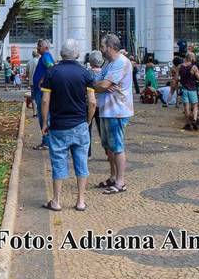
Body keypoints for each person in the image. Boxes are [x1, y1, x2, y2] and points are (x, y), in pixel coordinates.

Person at [39, 39, 96, 212]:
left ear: (61, 54)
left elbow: (44, 101)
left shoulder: (52, 73)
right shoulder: (86, 74)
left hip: (58, 126)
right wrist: (87, 121)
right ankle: (80, 201)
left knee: (58, 162)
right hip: (79, 124)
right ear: (77, 54)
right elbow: (92, 103)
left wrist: (44, 122)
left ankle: (56, 201)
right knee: (81, 162)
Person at [93, 33, 134, 194]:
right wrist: (100, 85)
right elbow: (96, 82)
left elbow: (103, 84)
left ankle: (120, 182)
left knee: (117, 146)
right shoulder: (108, 63)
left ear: (110, 47)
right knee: (109, 146)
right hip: (107, 110)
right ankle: (112, 177)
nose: (100, 50)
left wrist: (101, 85)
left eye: (102, 47)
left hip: (117, 111)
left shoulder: (121, 62)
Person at [31, 39, 56, 150]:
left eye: (39, 46)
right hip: (39, 91)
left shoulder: (46, 56)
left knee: (44, 116)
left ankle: (46, 142)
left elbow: (51, 69)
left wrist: (42, 80)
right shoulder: (44, 57)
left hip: (42, 92)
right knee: (43, 116)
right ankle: (46, 140)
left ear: (45, 47)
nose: (37, 48)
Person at [179, 52, 199, 130]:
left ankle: (188, 124)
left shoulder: (180, 66)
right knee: (195, 106)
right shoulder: (194, 67)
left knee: (186, 108)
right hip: (192, 89)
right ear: (192, 58)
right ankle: (195, 120)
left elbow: (176, 78)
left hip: (184, 89)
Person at [87, 50, 104, 158]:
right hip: (102, 104)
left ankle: (87, 153)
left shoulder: (88, 72)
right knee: (103, 130)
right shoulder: (104, 72)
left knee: (87, 129)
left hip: (88, 103)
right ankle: (108, 152)